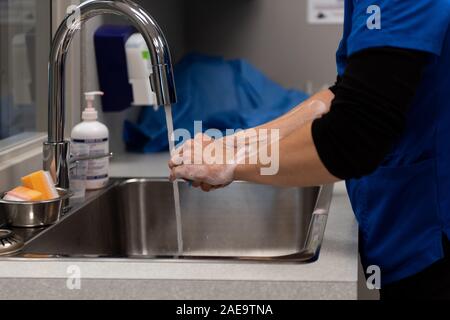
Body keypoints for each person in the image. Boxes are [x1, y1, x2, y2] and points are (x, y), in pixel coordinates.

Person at [169, 0, 450, 299]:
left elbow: (352, 137)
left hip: (432, 245)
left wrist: (230, 165)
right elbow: (346, 93)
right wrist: (238, 142)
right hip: (409, 229)